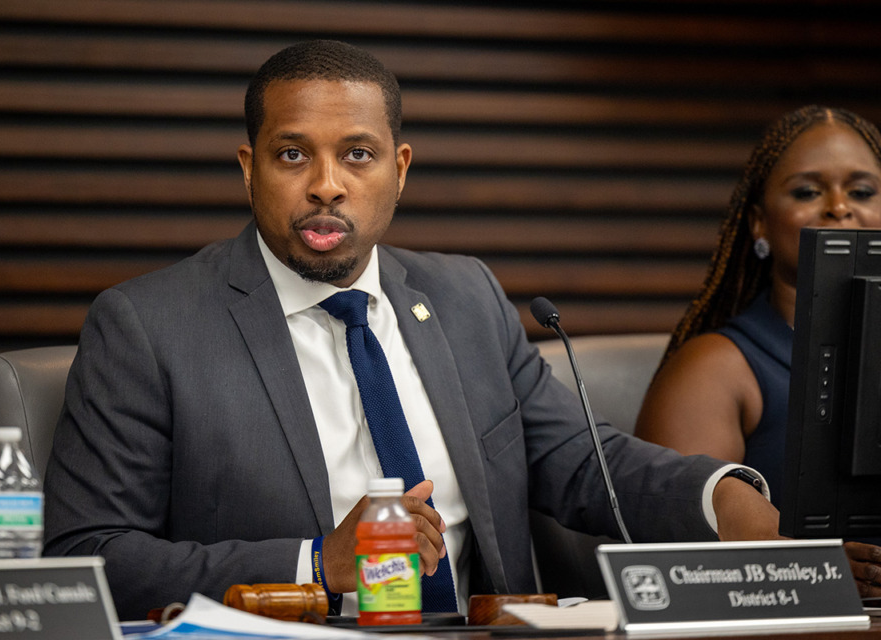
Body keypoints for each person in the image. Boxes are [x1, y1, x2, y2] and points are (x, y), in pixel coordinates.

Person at [43, 39, 778, 620]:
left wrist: (719, 498)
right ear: (249, 168)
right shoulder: (147, 327)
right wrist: (316, 564)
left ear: (398, 169)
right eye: (292, 153)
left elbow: (580, 462)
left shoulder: (464, 296)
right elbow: (90, 556)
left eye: (356, 154)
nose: (326, 183)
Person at [635, 104, 881, 597]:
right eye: (808, 191)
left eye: (862, 191)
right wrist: (810, 573)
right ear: (759, 224)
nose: (838, 206)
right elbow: (676, 572)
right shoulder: (716, 368)